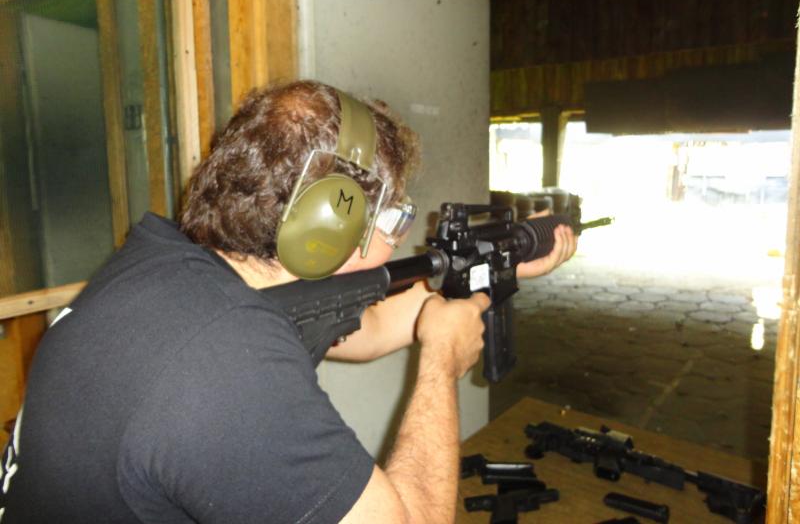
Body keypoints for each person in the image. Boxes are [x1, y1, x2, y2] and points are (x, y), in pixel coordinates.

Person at [0, 80, 575, 524]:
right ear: (327, 225)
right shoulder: (225, 366)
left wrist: (488, 270)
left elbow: (366, 326)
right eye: (393, 218)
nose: (401, 236)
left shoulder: (164, 264)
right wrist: (441, 363)